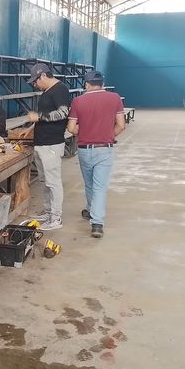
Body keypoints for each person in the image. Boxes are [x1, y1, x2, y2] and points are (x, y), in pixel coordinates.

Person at [67, 71, 125, 238]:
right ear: (102, 84)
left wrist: (84, 131)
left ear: (86, 84)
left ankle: (91, 210)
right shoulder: (115, 98)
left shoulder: (78, 101)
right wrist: (108, 135)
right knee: (100, 187)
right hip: (105, 148)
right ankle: (97, 223)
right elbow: (121, 125)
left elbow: (71, 128)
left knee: (89, 184)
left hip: (85, 149)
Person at [26, 63, 70, 231]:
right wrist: (31, 127)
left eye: (35, 81)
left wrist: (39, 117)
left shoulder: (60, 89)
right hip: (42, 141)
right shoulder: (47, 91)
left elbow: (63, 113)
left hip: (51, 143)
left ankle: (56, 218)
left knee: (53, 182)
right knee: (45, 181)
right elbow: (43, 116)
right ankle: (48, 211)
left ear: (43, 75)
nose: (35, 84)